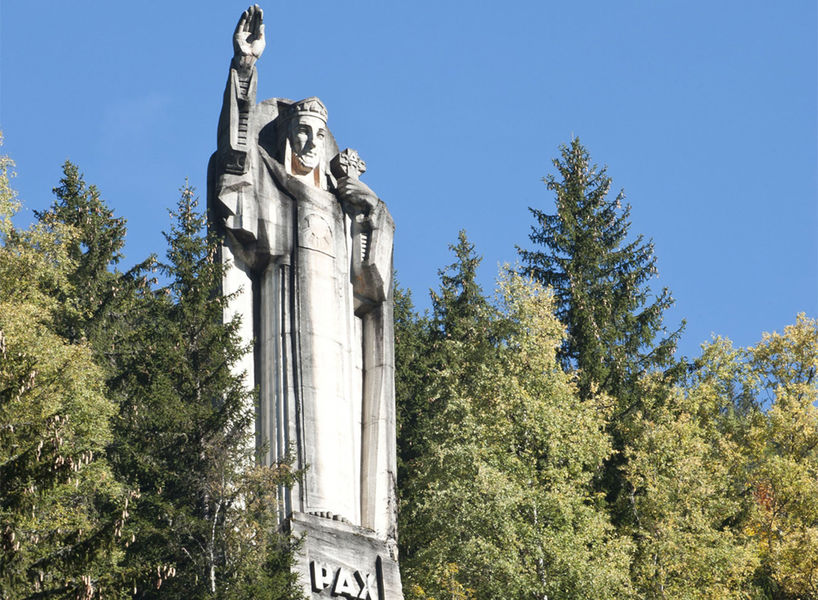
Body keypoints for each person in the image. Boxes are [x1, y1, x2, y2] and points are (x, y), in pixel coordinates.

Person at [207, 5, 398, 543]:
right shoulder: (269, 188)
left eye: (318, 132)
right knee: (290, 441)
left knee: (339, 437)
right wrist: (244, 68)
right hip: (281, 330)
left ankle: (349, 526)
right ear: (288, 135)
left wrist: (370, 211)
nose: (310, 140)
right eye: (301, 130)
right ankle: (281, 521)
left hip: (341, 356)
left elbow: (372, 287)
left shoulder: (343, 212)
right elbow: (233, 160)